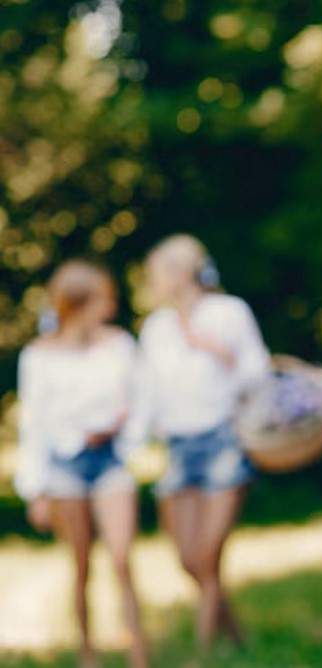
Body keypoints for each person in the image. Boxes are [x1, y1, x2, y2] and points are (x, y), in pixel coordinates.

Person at [125, 234, 270, 651]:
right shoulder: (157, 328)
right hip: (177, 447)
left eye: (154, 273)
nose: (151, 282)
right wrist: (134, 446)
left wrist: (217, 351)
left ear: (180, 273)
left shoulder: (229, 313)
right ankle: (236, 636)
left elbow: (257, 376)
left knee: (207, 556)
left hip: (223, 441)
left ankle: (203, 653)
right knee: (188, 560)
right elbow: (146, 392)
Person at [15, 259, 148, 668]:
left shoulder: (119, 345)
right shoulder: (38, 356)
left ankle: (139, 653)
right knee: (80, 565)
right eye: (101, 299)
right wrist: (34, 488)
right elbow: (33, 424)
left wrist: (124, 440)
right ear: (76, 305)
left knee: (123, 558)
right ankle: (88, 652)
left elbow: (140, 402)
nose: (109, 306)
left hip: (108, 460)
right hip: (63, 467)